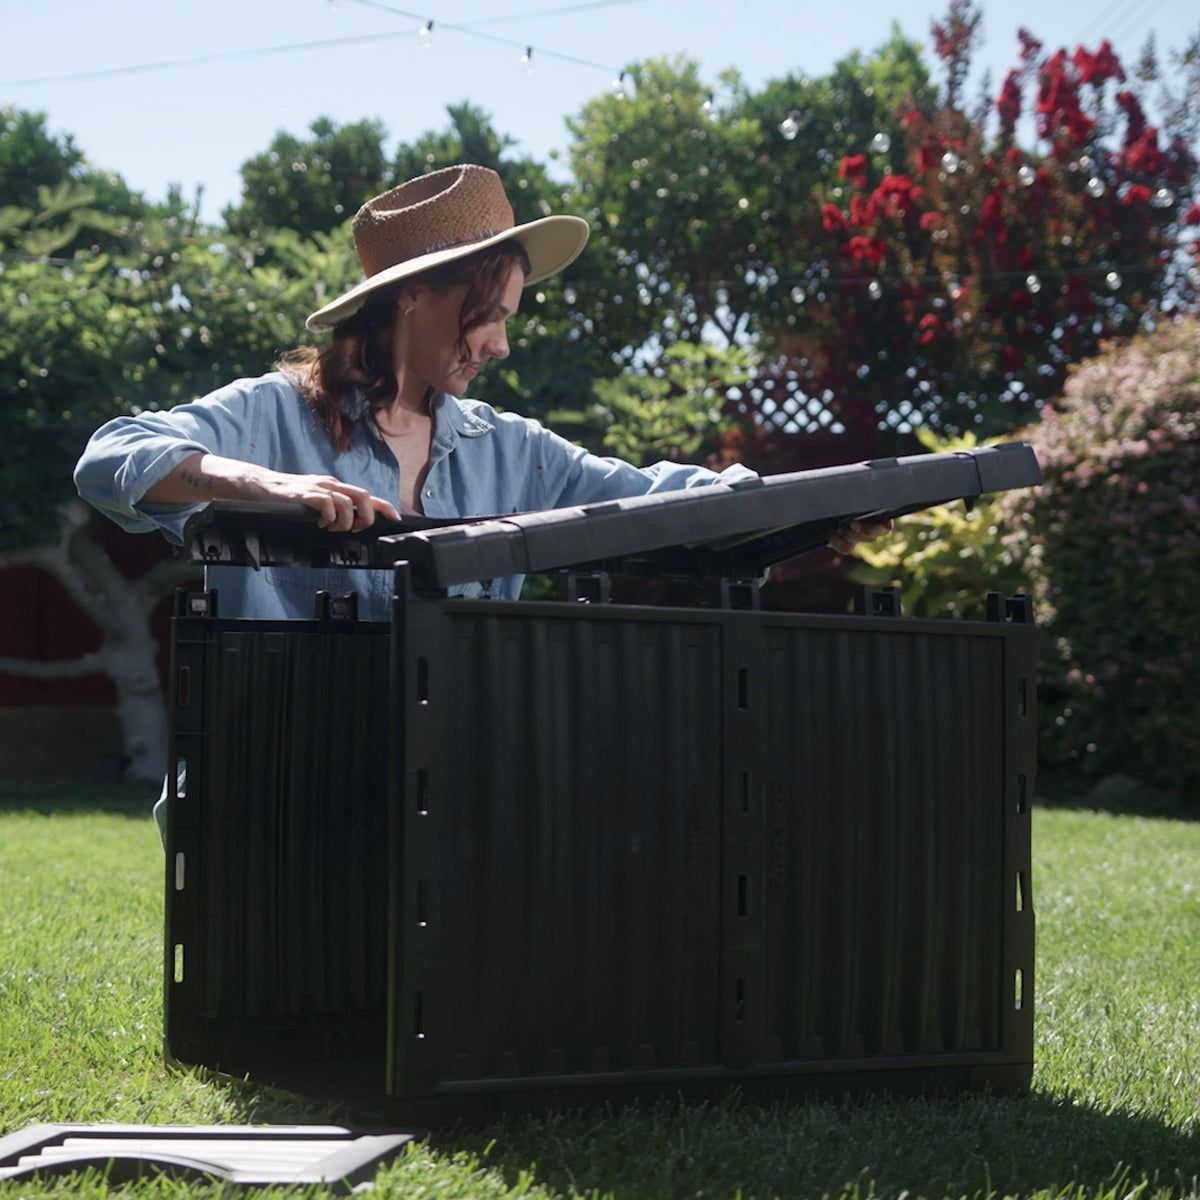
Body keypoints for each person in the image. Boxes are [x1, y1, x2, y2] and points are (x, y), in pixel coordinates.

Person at [75, 163, 886, 619]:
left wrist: (800, 507)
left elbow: (654, 496)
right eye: (484, 315)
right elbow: (111, 456)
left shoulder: (511, 451)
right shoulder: (273, 414)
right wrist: (260, 480)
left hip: (443, 779)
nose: (500, 343)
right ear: (411, 297)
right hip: (280, 778)